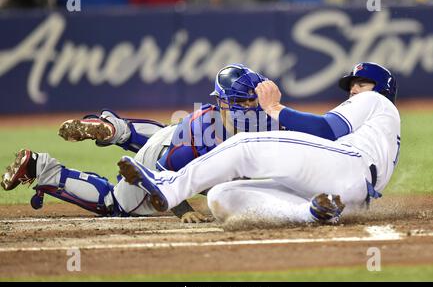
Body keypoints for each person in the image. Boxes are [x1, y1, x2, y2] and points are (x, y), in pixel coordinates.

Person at [116, 62, 400, 224]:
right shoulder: (375, 126)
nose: (354, 89)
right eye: (353, 83)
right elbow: (316, 141)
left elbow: (324, 129)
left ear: (382, 91)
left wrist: (274, 107)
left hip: (348, 166)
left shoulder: (375, 101)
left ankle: (171, 186)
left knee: (244, 146)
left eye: (362, 83)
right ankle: (312, 213)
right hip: (349, 197)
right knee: (222, 197)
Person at [1, 64, 278, 222]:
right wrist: (183, 210)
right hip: (161, 161)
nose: (254, 104)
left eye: (255, 97)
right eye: (245, 100)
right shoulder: (200, 137)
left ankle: (116, 129)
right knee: (116, 204)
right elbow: (162, 173)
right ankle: (43, 168)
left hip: (172, 137)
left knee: (170, 138)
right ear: (224, 102)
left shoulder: (256, 116)